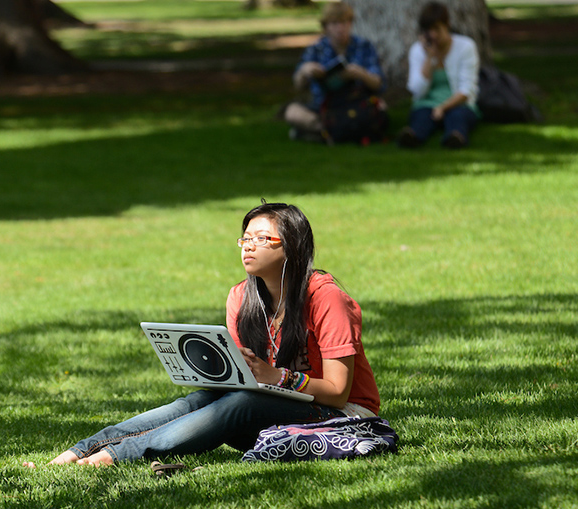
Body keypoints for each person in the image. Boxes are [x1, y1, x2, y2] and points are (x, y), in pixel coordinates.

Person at [24, 202, 380, 468]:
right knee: (196, 400)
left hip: (340, 417)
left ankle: (114, 457)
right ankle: (78, 452)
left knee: (243, 402)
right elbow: (241, 380)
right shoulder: (241, 297)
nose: (248, 246)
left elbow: (337, 392)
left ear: (292, 248)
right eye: (245, 238)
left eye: (262, 238)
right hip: (264, 413)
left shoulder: (325, 297)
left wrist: (278, 377)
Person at [284, 2, 387, 145]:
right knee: (292, 112)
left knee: (380, 106)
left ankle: (321, 134)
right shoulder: (316, 49)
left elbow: (378, 84)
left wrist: (360, 74)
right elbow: (298, 85)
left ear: (351, 24)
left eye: (344, 23)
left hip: (355, 102)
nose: (340, 28)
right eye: (335, 24)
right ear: (326, 27)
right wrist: (304, 71)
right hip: (324, 106)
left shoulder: (364, 46)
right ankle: (336, 131)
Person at [398, 1, 481, 149]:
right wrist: (429, 59)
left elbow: (466, 90)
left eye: (437, 29)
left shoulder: (465, 47)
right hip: (427, 104)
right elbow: (417, 90)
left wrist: (442, 108)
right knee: (421, 117)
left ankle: (455, 137)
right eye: (429, 30)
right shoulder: (418, 51)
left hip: (457, 103)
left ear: (447, 25)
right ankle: (412, 136)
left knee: (457, 117)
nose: (433, 35)